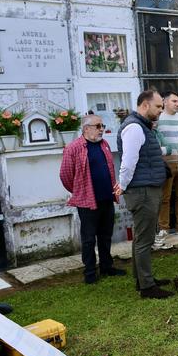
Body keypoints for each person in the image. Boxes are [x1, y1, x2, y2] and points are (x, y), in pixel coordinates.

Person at [116, 90, 173, 299]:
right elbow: (128, 162)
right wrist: (122, 185)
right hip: (142, 190)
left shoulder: (141, 125)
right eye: (158, 107)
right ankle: (147, 287)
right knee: (145, 239)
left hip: (145, 187)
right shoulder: (134, 127)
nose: (160, 110)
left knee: (142, 236)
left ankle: (142, 279)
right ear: (145, 105)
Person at [59, 114, 125, 284]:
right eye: (98, 126)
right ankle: (89, 273)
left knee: (105, 235)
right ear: (86, 128)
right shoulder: (73, 148)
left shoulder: (104, 145)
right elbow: (65, 176)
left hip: (106, 198)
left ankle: (106, 267)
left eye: (102, 125)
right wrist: (80, 191)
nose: (102, 129)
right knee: (89, 239)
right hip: (87, 201)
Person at [155, 91, 178, 243]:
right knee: (165, 197)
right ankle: (163, 228)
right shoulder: (158, 118)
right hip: (165, 164)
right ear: (164, 102)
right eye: (174, 101)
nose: (177, 104)